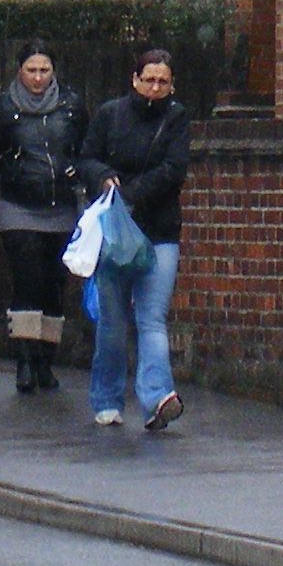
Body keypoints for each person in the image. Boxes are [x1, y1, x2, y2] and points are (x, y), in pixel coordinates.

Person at [75, 45, 193, 433]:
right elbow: (86, 158)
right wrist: (104, 177)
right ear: (135, 80)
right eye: (149, 80)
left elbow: (174, 170)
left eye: (163, 82)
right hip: (115, 234)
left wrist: (131, 193)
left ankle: (156, 398)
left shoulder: (177, 119)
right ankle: (107, 399)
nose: (155, 88)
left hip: (158, 232)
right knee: (112, 321)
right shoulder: (110, 114)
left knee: (152, 319)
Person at [0, 45, 85, 395]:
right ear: (19, 72)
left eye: (44, 70)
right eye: (32, 70)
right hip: (19, 206)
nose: (38, 78)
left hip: (61, 208)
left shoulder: (71, 106)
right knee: (27, 279)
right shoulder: (4, 107)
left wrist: (80, 175)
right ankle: (24, 361)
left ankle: (46, 360)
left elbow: (85, 149)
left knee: (54, 285)